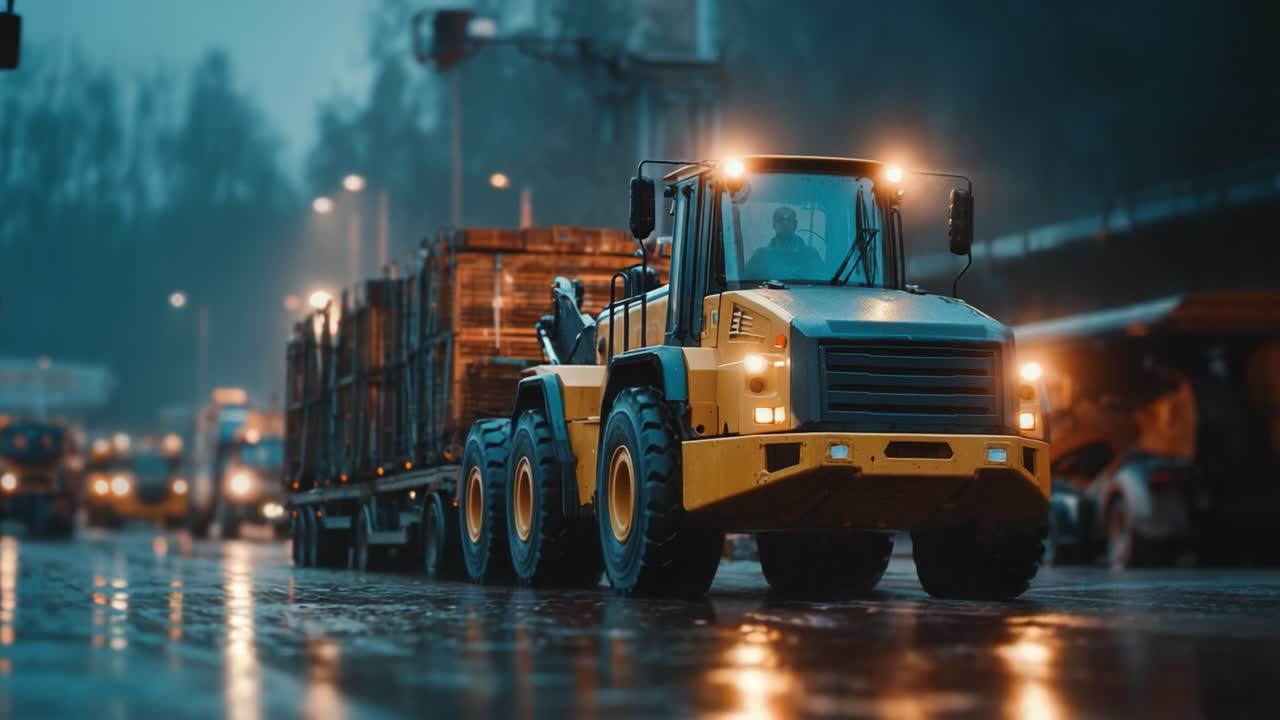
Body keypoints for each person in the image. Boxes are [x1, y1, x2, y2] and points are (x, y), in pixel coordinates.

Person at [743, 206, 826, 280]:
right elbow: (744, 282)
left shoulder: (810, 255)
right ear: (774, 225)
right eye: (780, 220)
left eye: (789, 220)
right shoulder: (761, 256)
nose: (785, 223)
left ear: (795, 224)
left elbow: (824, 282)